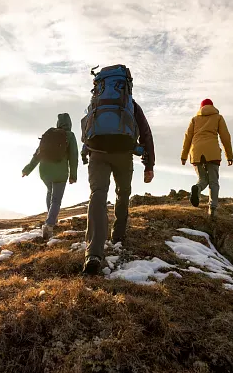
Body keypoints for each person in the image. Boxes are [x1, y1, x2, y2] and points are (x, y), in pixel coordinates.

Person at [82, 99, 155, 275]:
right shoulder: (130, 104)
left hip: (97, 153)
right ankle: (118, 235)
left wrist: (85, 151)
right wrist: (149, 165)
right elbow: (146, 133)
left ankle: (93, 254)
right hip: (123, 154)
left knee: (98, 195)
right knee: (122, 192)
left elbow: (86, 126)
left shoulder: (97, 101)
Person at [22, 113, 78, 240]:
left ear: (58, 123)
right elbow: (73, 156)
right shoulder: (69, 135)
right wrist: (73, 175)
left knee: (50, 192)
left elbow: (37, 154)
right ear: (69, 124)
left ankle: (51, 218)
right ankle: (49, 224)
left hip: (44, 171)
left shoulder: (49, 134)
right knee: (56, 200)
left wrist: (27, 169)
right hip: (60, 173)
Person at [181, 98, 233, 218]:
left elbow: (187, 138)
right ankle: (212, 209)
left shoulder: (194, 119)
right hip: (212, 152)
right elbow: (225, 137)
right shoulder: (218, 117)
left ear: (201, 108)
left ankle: (197, 188)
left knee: (202, 179)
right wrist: (229, 156)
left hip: (196, 152)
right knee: (213, 181)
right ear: (212, 106)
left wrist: (184, 156)